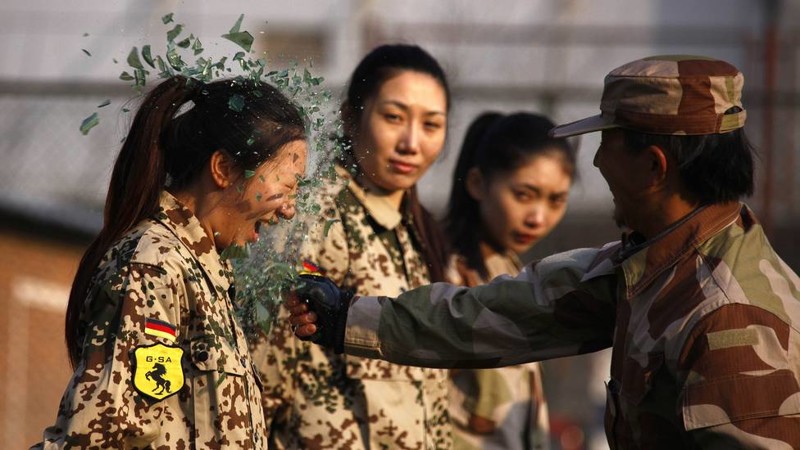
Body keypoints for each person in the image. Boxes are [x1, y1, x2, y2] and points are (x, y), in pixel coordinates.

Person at [287, 55, 800, 449]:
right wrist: (347, 317)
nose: (595, 162)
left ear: (653, 166)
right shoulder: (650, 266)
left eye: (608, 144)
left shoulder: (731, 320)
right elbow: (502, 310)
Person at [32, 75, 307, 449]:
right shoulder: (153, 265)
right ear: (223, 169)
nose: (289, 210)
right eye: (285, 187)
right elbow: (100, 435)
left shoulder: (202, 271)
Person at [251, 44, 453, 449]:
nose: (412, 142)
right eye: (394, 117)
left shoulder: (414, 228)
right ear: (351, 114)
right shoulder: (314, 216)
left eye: (432, 125)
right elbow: (261, 375)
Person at [444, 112, 575, 450]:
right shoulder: (444, 276)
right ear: (477, 184)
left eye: (556, 200)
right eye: (523, 194)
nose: (538, 217)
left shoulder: (511, 273)